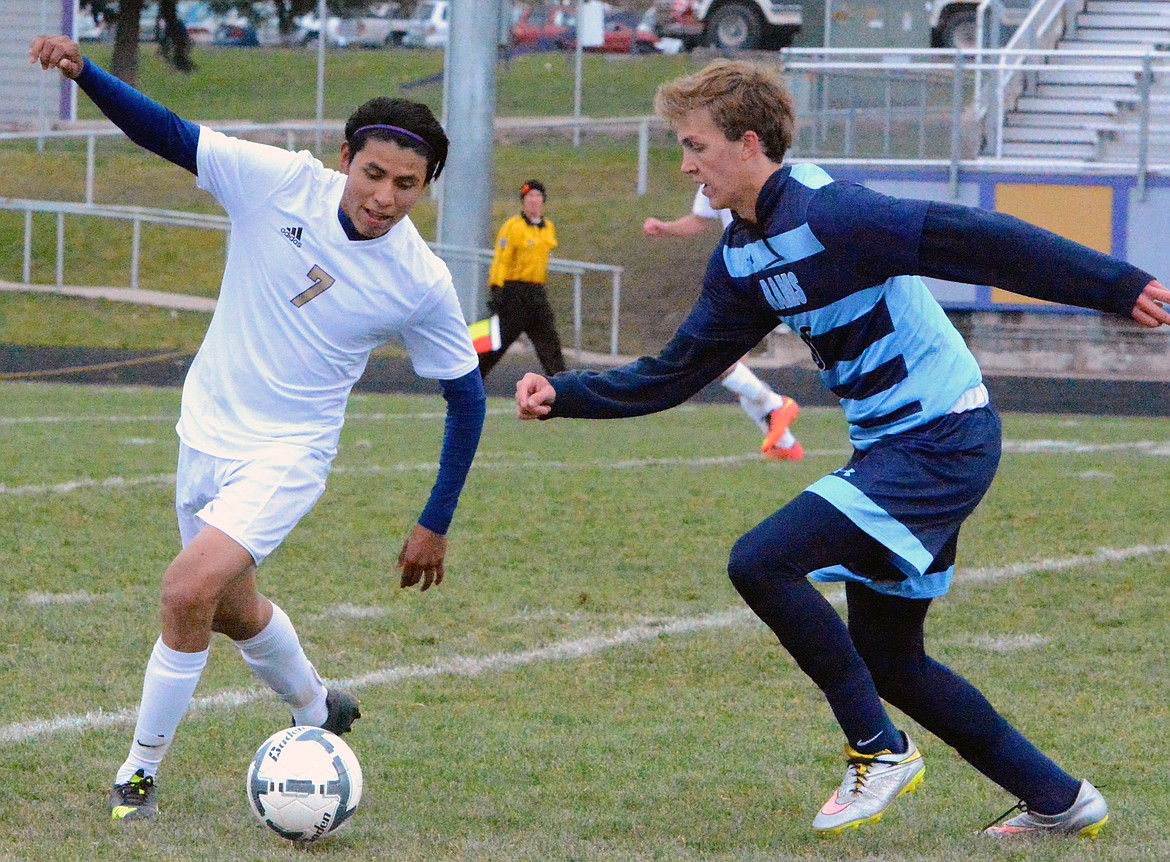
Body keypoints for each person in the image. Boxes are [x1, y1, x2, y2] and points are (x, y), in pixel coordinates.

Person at [517, 59, 1170, 839]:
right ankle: (1060, 800)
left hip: (940, 438)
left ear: (748, 142)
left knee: (761, 560)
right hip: (901, 447)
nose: (685, 166)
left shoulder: (834, 214)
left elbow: (978, 242)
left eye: (695, 146)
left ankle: (878, 752)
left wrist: (1113, 285)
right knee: (891, 660)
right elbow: (677, 371)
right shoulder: (740, 256)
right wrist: (566, 393)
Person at [30, 35, 487, 823]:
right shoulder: (278, 182)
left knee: (184, 591)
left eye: (406, 184)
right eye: (373, 173)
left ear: (427, 186)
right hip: (203, 431)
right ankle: (317, 709)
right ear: (345, 158)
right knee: (235, 611)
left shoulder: (421, 281)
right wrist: (87, 73)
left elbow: (468, 397)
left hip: (288, 454)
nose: (384, 196)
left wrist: (435, 521)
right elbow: (169, 134)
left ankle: (137, 776)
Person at [645, 187, 802, 461]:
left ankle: (776, 405)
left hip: (755, 274)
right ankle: (786, 445)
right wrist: (664, 228)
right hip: (741, 275)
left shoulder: (759, 179)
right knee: (736, 366)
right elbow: (697, 221)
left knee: (719, 361)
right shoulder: (711, 182)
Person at [478, 180, 567, 380]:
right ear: (523, 201)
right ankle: (468, 379)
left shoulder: (548, 227)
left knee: (550, 344)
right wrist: (497, 288)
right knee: (494, 342)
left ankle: (566, 389)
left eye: (538, 196)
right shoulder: (513, 227)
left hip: (536, 292)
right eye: (529, 197)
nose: (534, 201)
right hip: (514, 293)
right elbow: (501, 259)